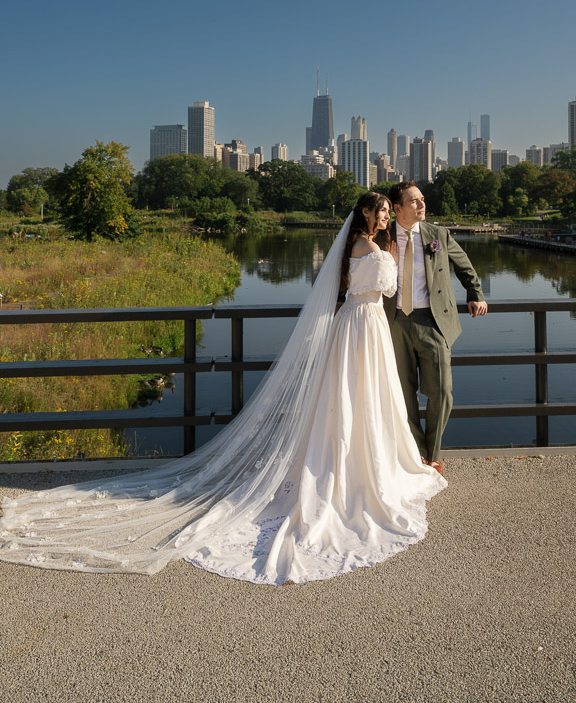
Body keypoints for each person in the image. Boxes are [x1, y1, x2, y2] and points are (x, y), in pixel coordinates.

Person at [0, 193, 445, 584]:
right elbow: (387, 288)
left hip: (359, 327)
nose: (385, 215)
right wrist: (387, 256)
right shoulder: (368, 246)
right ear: (365, 213)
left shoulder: (359, 245)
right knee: (357, 398)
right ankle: (353, 468)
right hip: (363, 327)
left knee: (355, 399)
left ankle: (353, 460)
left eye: (389, 210)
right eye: (381, 210)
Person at [377, 182, 487, 474]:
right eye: (414, 201)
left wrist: (475, 293)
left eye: (422, 199)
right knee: (403, 392)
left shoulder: (437, 234)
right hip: (393, 322)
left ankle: (434, 452)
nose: (422, 205)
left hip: (433, 321)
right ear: (397, 208)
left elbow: (465, 266)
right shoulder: (380, 237)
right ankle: (418, 453)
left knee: (441, 391)